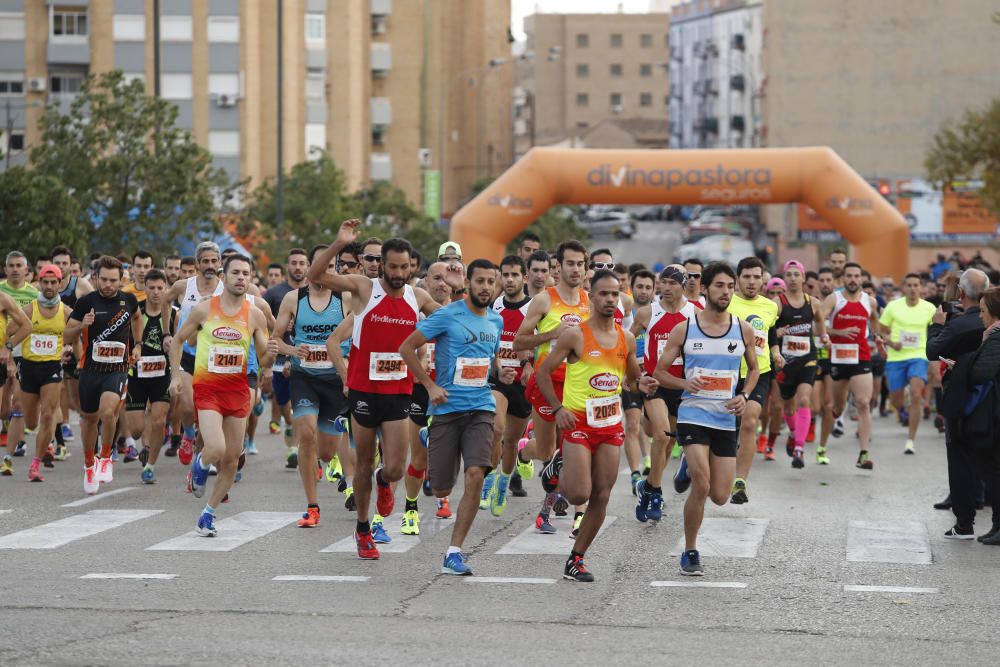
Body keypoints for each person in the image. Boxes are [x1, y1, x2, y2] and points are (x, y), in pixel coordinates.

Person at [306, 220, 445, 560]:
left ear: (412, 266)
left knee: (395, 467)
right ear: (382, 264)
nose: (399, 273)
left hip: (398, 392)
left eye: (405, 267)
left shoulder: (418, 296)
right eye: (393, 266)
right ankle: (363, 528)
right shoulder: (364, 289)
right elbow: (316, 276)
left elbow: (450, 320)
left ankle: (386, 484)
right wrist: (338, 244)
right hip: (364, 394)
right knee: (364, 464)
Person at [535, 270, 655, 582]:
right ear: (592, 298)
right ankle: (555, 468)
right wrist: (559, 408)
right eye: (603, 294)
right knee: (578, 495)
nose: (610, 300)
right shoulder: (575, 335)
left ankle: (576, 559)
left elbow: (631, 379)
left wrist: (643, 383)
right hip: (578, 423)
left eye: (615, 295)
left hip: (610, 425)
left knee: (602, 495)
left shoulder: (626, 338)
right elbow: (544, 373)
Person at [399, 259, 512, 575]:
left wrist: (498, 367)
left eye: (492, 282)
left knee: (476, 474)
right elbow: (407, 348)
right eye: (481, 281)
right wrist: (430, 384)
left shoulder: (495, 320)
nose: (486, 287)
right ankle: (430, 435)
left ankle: (454, 551)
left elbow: (491, 354)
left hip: (480, 408)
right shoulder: (447, 315)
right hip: (447, 408)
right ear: (469, 283)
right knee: (441, 487)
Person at [656, 261, 759, 576]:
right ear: (704, 289)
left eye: (730, 286)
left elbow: (754, 369)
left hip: (725, 419)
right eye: (719, 286)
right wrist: (685, 383)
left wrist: (744, 396)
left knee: (719, 496)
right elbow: (660, 372)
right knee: (701, 484)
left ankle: (689, 462)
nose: (726, 292)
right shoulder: (685, 328)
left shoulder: (742, 329)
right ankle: (690, 551)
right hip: (693, 414)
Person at [168, 254, 271, 536]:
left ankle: (208, 513)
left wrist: (270, 356)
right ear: (223, 278)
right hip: (209, 388)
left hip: (238, 391)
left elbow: (262, 357)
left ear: (250, 280)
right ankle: (199, 468)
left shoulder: (255, 314)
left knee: (232, 459)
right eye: (235, 272)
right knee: (215, 449)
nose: (241, 277)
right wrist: (176, 375)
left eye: (246, 273)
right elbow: (178, 340)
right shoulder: (203, 310)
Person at [513, 240, 590, 535]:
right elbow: (519, 341)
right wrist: (550, 335)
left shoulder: (589, 302)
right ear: (558, 267)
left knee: (575, 450)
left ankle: (571, 515)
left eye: (580, 264)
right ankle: (524, 450)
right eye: (569, 263)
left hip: (579, 388)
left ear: (585, 268)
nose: (575, 269)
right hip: (547, 384)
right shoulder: (545, 300)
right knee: (547, 450)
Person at [268, 245, 348, 529]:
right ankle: (312, 507)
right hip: (304, 379)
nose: (319, 272)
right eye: (317, 266)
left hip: (334, 382)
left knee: (326, 453)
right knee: (306, 434)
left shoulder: (345, 299)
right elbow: (274, 340)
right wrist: (292, 351)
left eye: (327, 267)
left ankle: (324, 464)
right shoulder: (293, 299)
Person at [64, 256, 143, 495]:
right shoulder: (86, 301)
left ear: (121, 280)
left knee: (109, 413)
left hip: (117, 369)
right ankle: (89, 465)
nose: (109, 285)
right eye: (104, 280)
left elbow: (138, 318)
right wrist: (82, 325)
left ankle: (105, 457)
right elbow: (67, 335)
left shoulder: (128, 300)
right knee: (88, 420)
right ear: (96, 277)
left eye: (114, 280)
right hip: (90, 370)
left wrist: (137, 344)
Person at [631, 265, 700, 521]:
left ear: (683, 285)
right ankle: (657, 491)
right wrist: (636, 376)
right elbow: (625, 345)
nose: (667, 288)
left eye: (673, 283)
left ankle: (647, 487)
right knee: (660, 435)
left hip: (681, 387)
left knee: (669, 441)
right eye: (664, 283)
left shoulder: (695, 313)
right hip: (654, 385)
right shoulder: (648, 312)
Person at [926, 269, 990, 520]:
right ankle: (979, 504)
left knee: (960, 451)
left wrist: (936, 326)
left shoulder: (962, 324)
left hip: (963, 393)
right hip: (987, 395)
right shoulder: (990, 324)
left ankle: (965, 517)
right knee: (983, 450)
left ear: (961, 292)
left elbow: (933, 350)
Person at [4, 265, 67, 481]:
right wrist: (9, 357)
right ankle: (34, 443)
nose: (49, 287)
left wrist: (73, 354)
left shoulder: (66, 312)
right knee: (30, 422)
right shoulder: (29, 310)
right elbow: (9, 333)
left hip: (52, 368)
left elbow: (76, 336)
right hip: (29, 368)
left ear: (60, 284)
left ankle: (36, 464)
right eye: (45, 282)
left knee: (48, 414)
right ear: (39, 283)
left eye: (53, 282)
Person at [483, 256, 534, 515]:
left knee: (512, 440)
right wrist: (495, 365)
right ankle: (488, 480)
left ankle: (503, 482)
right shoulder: (494, 306)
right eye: (506, 275)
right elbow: (487, 339)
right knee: (496, 427)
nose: (510, 279)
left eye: (515, 274)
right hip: (499, 380)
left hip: (523, 384)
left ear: (524, 278)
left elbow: (542, 344)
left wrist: (530, 364)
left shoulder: (534, 308)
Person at [727, 256, 779, 504]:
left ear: (763, 280)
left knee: (749, 422)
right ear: (737, 279)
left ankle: (740, 482)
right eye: (746, 276)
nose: (751, 281)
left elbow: (771, 335)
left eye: (756, 277)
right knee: (724, 427)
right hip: (726, 373)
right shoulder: (726, 303)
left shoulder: (770, 307)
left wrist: (776, 351)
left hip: (759, 372)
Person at [821, 262, 881, 470]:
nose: (853, 280)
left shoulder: (869, 301)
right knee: (837, 407)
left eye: (857, 276)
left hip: (862, 356)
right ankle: (838, 412)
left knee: (864, 402)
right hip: (838, 357)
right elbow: (819, 322)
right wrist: (836, 333)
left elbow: (874, 322)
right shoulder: (834, 299)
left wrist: (878, 337)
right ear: (843, 279)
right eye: (849, 276)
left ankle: (864, 453)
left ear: (862, 279)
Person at [123, 269, 175, 484]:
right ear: (144, 289)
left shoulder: (173, 315)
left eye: (160, 288)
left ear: (166, 289)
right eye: (151, 288)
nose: (155, 292)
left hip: (161, 375)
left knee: (159, 419)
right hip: (136, 375)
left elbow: (177, 343)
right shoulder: (137, 312)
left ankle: (151, 465)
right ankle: (144, 444)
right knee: (135, 430)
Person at [773, 260, 827, 467]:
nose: (793, 278)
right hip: (784, 362)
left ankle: (799, 449)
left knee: (805, 400)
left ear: (803, 278)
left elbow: (821, 322)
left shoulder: (813, 303)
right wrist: (776, 333)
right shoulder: (778, 303)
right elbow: (769, 329)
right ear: (784, 278)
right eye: (789, 275)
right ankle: (794, 433)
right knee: (788, 407)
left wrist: (823, 337)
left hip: (807, 357)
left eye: (797, 274)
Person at [878, 273, 936, 454]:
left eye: (916, 285)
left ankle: (910, 440)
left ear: (921, 288)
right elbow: (881, 330)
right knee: (896, 399)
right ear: (903, 288)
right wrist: (890, 342)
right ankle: (902, 410)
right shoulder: (893, 307)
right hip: (896, 357)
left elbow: (938, 330)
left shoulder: (929, 308)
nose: (912, 288)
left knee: (916, 393)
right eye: (909, 285)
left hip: (918, 355)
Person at [262, 248, 309, 462]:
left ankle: (295, 448)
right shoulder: (274, 294)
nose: (298, 267)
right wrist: (268, 365)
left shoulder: (314, 291)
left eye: (302, 263)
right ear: (287, 267)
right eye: (294, 263)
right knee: (284, 403)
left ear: (307, 266)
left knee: (303, 404)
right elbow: (264, 329)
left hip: (306, 360)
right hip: (280, 359)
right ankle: (290, 427)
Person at [964, 286, 1000, 544]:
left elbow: (981, 373)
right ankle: (997, 525)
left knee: (994, 470)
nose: (979, 316)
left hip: (995, 413)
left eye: (983, 311)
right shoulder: (993, 335)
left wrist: (964, 367)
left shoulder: (996, 336)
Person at [1, 251, 40, 463]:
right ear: (5, 269)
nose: (15, 269)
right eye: (11, 265)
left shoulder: (35, 294)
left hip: (24, 352)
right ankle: (9, 426)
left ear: (27, 271)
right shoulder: (0, 291)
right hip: (1, 351)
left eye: (19, 266)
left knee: (18, 403)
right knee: (3, 409)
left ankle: (19, 442)